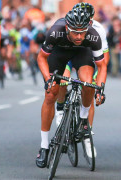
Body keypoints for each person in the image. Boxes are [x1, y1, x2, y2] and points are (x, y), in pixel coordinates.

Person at [35, 6, 107, 168]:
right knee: (51, 93)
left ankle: (83, 119)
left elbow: (102, 66)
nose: (79, 36)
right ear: (67, 27)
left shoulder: (93, 36)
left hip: (82, 54)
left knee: (88, 83)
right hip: (59, 54)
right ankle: (44, 146)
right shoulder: (56, 31)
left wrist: (100, 88)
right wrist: (48, 79)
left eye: (83, 32)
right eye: (75, 32)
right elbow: (41, 57)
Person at [55, 3, 110, 131]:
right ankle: (60, 107)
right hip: (67, 54)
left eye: (88, 20)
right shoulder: (64, 26)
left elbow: (104, 60)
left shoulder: (98, 29)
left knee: (88, 88)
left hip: (86, 56)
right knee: (63, 81)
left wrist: (96, 80)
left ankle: (86, 132)